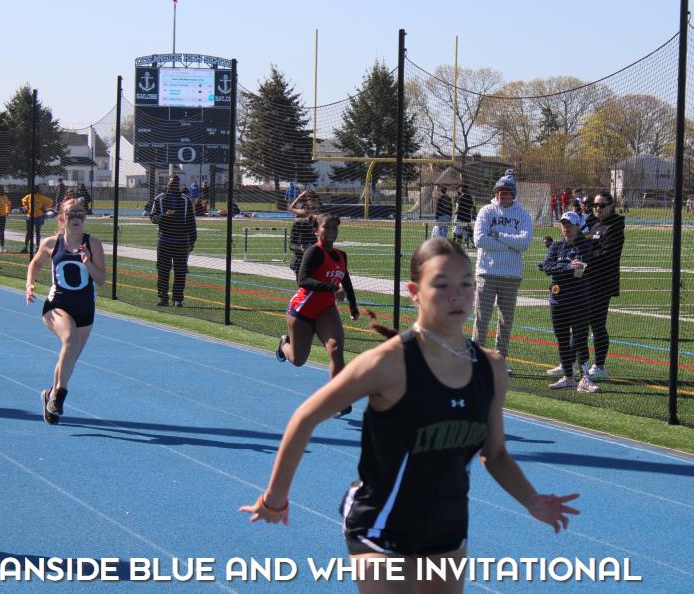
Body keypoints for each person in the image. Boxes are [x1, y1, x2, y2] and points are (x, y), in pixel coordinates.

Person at [242, 238, 579, 592]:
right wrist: (274, 499)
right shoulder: (389, 362)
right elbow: (305, 418)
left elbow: (494, 454)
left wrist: (531, 499)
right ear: (415, 292)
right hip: (380, 524)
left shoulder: (491, 367)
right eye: (441, 285)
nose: (456, 296)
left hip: (447, 526)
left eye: (466, 284)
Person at [25, 198, 105, 425]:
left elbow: (101, 279)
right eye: (71, 214)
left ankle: (50, 395)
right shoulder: (51, 243)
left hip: (85, 308)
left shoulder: (93, 244)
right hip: (57, 305)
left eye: (80, 214)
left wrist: (88, 262)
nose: (76, 218)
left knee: (70, 357)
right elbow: (35, 263)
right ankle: (60, 396)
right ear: (62, 218)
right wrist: (29, 284)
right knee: (69, 339)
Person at [277, 213, 359, 416]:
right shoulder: (314, 252)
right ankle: (283, 344)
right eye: (326, 227)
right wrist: (331, 288)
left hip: (326, 311)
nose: (331, 231)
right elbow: (303, 280)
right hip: (302, 311)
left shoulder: (341, 255)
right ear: (316, 230)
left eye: (334, 228)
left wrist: (353, 305)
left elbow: (346, 280)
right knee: (298, 360)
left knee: (336, 349)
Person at [472, 169, 533, 368]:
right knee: (482, 318)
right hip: (487, 273)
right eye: (497, 191)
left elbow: (524, 243)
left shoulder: (523, 215)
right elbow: (479, 240)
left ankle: (499, 361)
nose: (500, 195)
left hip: (511, 275)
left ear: (512, 194)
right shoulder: (486, 211)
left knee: (506, 321)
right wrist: (510, 245)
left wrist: (498, 235)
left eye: (504, 192)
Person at [540, 212, 596, 393]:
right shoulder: (556, 246)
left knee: (580, 339)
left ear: (578, 227)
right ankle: (568, 377)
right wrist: (567, 266)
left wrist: (562, 269)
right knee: (562, 339)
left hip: (579, 300)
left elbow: (579, 270)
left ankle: (585, 378)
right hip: (557, 300)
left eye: (570, 225)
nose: (567, 228)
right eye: (564, 225)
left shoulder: (584, 246)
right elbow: (547, 267)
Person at [582, 192, 626, 379]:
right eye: (595, 205)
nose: (597, 209)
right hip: (589, 279)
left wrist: (585, 257)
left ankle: (599, 366)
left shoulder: (614, 227)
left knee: (597, 323)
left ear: (611, 206)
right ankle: (573, 362)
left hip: (603, 282)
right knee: (580, 322)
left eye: (601, 205)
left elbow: (606, 254)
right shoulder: (596, 224)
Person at [150, 175, 197, 307]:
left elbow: (191, 222)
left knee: (180, 272)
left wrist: (192, 240)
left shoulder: (186, 200)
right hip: (164, 240)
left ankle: (178, 299)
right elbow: (152, 217)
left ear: (179, 185)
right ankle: (163, 298)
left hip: (181, 242)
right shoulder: (159, 199)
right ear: (167, 185)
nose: (173, 187)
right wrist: (163, 216)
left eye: (175, 184)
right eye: (171, 184)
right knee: (163, 271)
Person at [289, 196, 321, 276]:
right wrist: (301, 248)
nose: (316, 210)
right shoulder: (298, 223)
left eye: (317, 208)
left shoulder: (322, 225)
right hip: (301, 262)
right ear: (306, 210)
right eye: (313, 208)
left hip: (317, 262)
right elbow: (292, 245)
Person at [20, 184, 54, 254]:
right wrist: (26, 206)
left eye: (35, 189)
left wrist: (44, 208)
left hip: (39, 216)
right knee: (28, 232)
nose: (33, 190)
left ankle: (37, 247)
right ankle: (25, 247)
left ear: (37, 190)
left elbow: (50, 202)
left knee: (37, 232)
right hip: (30, 216)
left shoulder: (42, 197)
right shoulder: (29, 196)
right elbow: (24, 201)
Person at [452, 184, 474, 249]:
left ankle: (458, 246)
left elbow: (459, 208)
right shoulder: (470, 197)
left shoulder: (461, 198)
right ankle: (474, 243)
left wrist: (456, 212)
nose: (460, 189)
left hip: (461, 218)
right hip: (467, 217)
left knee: (459, 233)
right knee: (469, 232)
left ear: (463, 189)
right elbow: (471, 206)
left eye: (461, 188)